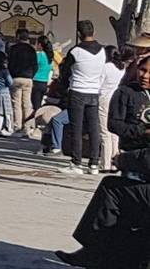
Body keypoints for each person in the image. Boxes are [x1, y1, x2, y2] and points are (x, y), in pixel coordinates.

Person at [55, 54, 150, 268]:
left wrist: (123, 160)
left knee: (112, 189)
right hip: (137, 158)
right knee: (125, 193)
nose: (144, 75)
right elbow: (114, 124)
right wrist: (140, 133)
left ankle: (95, 249)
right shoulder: (127, 93)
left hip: (139, 161)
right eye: (142, 70)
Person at [61, 20, 106, 174]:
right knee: (94, 128)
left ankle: (76, 163)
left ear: (79, 34)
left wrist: (63, 89)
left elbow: (65, 72)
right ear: (93, 32)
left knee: (77, 128)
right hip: (94, 92)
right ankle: (94, 163)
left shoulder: (75, 51)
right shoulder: (103, 51)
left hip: (78, 90)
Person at [98, 46, 129, 173]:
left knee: (104, 131)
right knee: (114, 132)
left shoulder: (106, 67)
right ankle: (115, 162)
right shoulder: (121, 68)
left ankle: (105, 163)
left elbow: (99, 84)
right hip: (115, 97)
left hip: (104, 98)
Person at [7, 30, 39, 137]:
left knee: (16, 103)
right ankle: (28, 127)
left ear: (18, 36)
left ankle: (18, 127)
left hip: (16, 77)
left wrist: (11, 74)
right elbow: (35, 65)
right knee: (27, 103)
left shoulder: (14, 48)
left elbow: (10, 63)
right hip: (28, 78)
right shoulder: (32, 49)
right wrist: (31, 75)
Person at [33, 34, 55, 113]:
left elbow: (33, 65)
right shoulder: (50, 57)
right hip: (44, 82)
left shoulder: (39, 54)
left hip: (36, 81)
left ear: (39, 44)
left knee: (35, 105)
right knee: (39, 104)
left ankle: (35, 121)